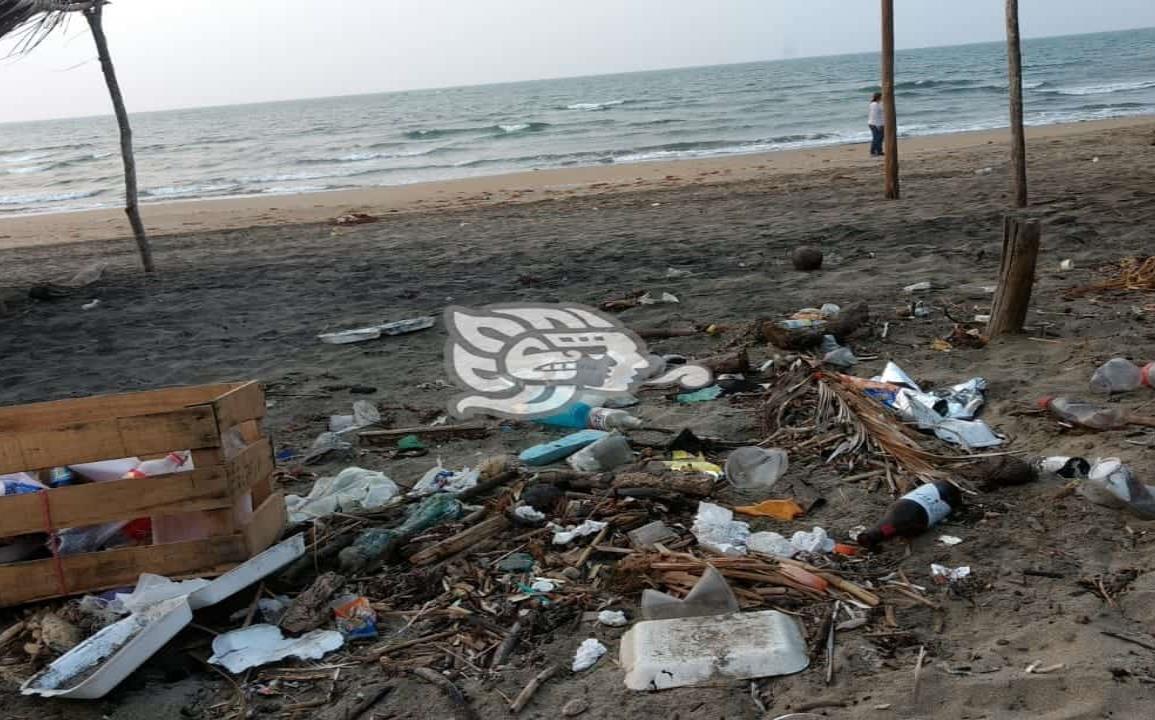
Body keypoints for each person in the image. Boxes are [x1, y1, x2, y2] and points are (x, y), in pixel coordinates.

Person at [868, 92, 885, 157]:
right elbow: (876, 115)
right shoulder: (876, 104)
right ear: (879, 97)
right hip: (875, 124)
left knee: (879, 138)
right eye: (882, 96)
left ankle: (879, 151)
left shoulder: (874, 104)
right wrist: (879, 125)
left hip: (874, 123)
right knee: (877, 138)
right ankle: (873, 152)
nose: (883, 98)